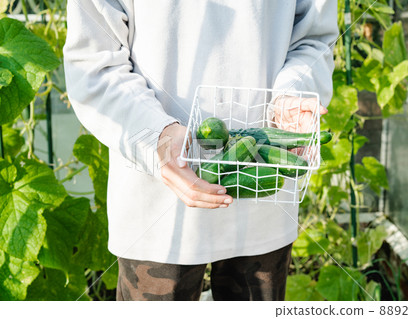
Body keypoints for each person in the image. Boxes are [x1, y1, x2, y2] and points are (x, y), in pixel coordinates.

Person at [64, 0, 338, 301]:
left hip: (264, 197)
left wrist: (293, 93)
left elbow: (313, 39)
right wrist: (157, 136)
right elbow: (93, 64)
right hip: (156, 202)